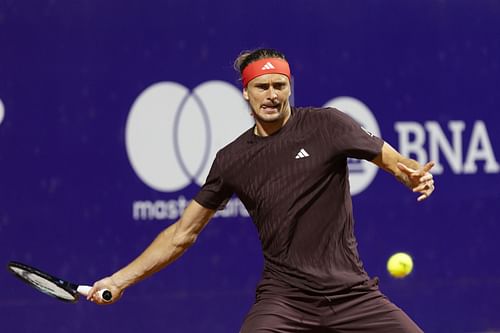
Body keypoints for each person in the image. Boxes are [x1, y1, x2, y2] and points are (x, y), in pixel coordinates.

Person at [88, 48, 435, 332]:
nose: (272, 95)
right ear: (245, 92)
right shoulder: (232, 160)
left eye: (279, 85)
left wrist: (415, 175)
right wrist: (119, 281)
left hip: (353, 294)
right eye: (262, 86)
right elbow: (182, 233)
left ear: (289, 87)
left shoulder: (328, 124)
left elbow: (396, 163)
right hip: (285, 299)